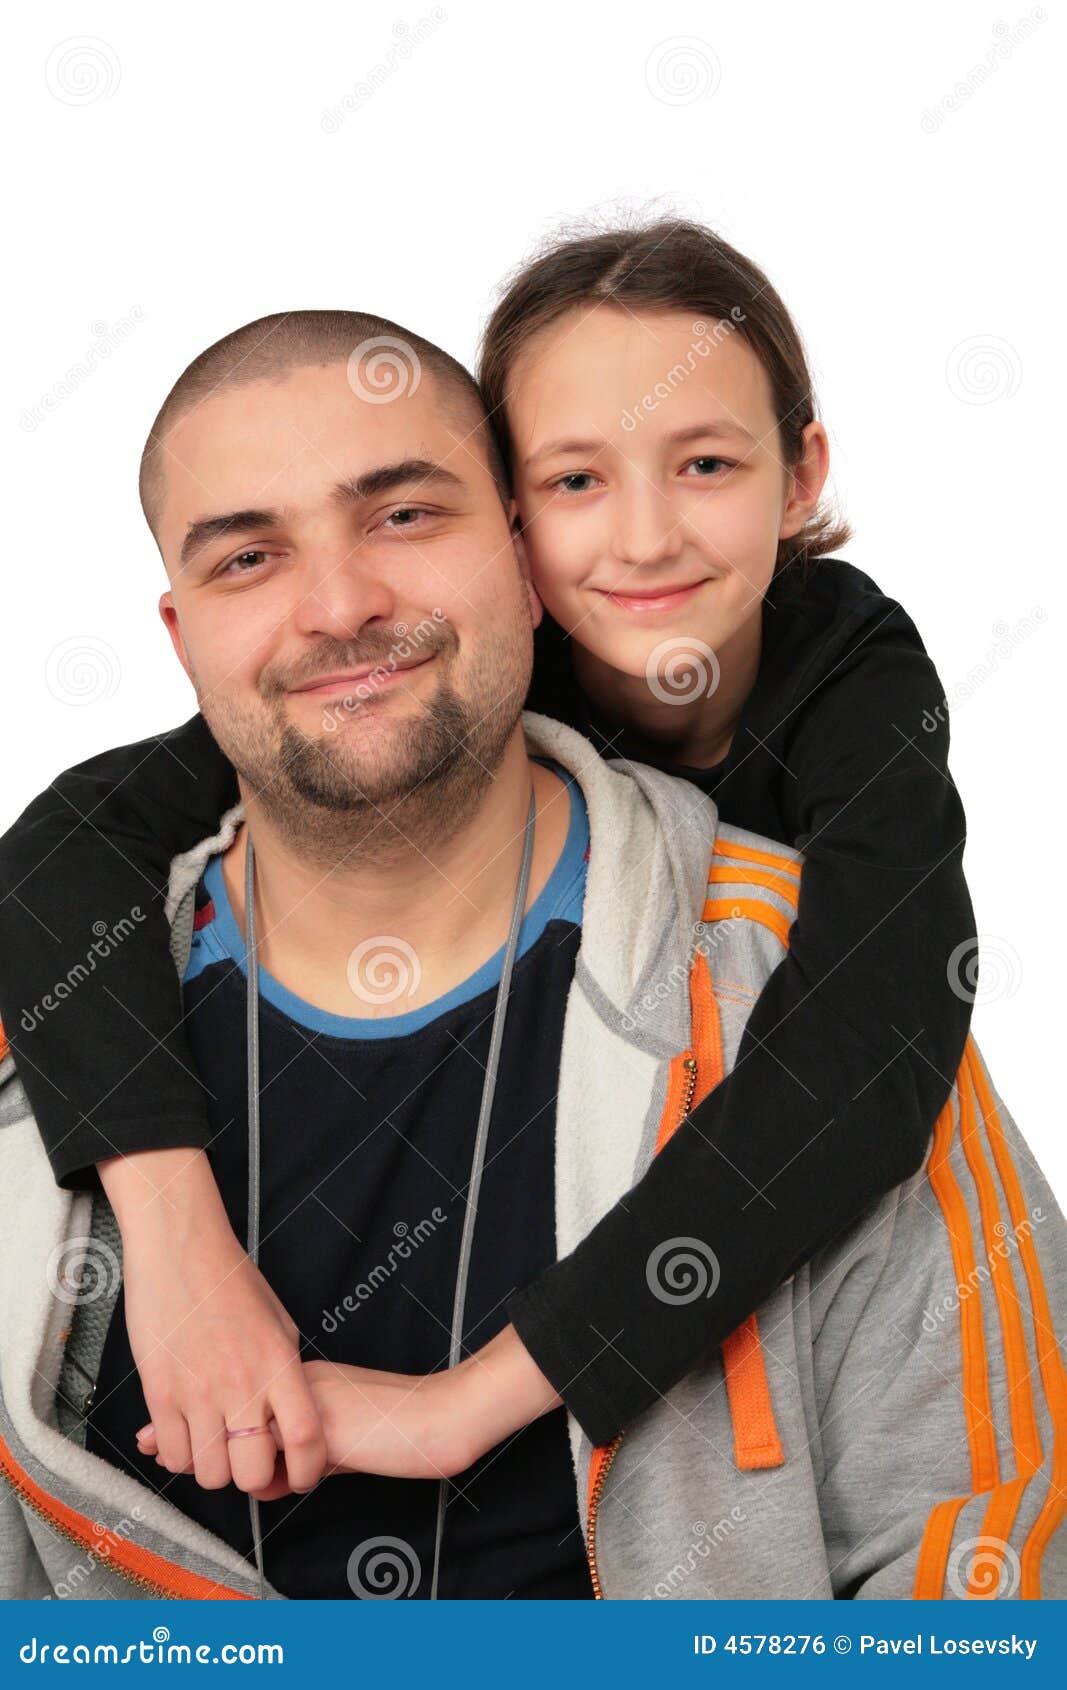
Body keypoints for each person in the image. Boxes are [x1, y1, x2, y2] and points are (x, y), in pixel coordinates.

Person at [1, 310, 1062, 1599]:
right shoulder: (44, 996)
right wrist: (172, 1238)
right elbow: (69, 832)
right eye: (248, 559)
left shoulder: (802, 976)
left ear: (516, 557)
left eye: (402, 516)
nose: (339, 606)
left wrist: (470, 1403)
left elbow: (991, 1592)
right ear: (179, 635)